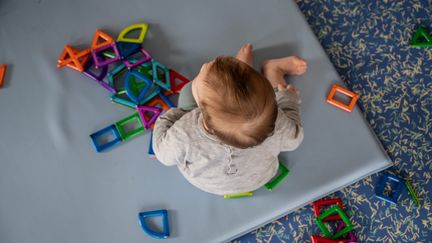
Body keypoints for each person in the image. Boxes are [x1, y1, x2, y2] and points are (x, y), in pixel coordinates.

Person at [152, 43, 306, 195]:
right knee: (268, 96)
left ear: (200, 108)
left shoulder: (185, 131)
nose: (204, 64)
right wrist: (288, 99)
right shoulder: (274, 120)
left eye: (202, 72)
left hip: (208, 185)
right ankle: (273, 70)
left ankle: (243, 68)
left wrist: (170, 117)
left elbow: (162, 154)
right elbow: (294, 140)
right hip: (258, 179)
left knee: (186, 91)